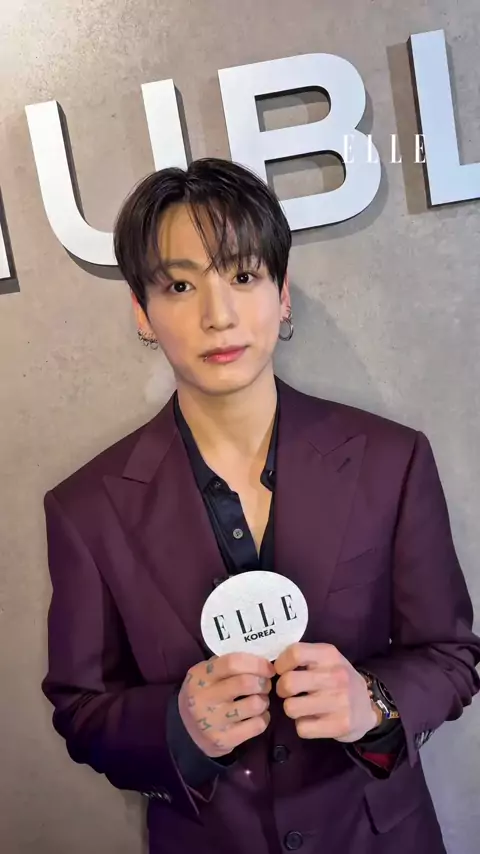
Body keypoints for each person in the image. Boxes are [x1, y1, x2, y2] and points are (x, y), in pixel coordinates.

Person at [42, 158, 480, 854]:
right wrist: (178, 724)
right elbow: (82, 709)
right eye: (180, 285)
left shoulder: (390, 459)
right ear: (142, 311)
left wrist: (373, 701)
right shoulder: (86, 508)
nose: (218, 316)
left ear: (282, 293)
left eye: (243, 276)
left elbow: (451, 654)